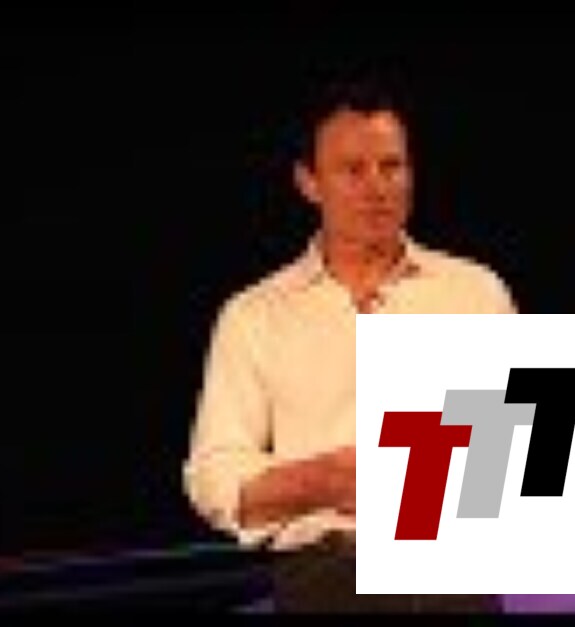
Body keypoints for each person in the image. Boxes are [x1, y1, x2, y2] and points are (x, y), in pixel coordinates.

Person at [182, 74, 517, 613]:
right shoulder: (255, 315)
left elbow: (527, 448)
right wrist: (327, 480)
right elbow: (215, 477)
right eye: (353, 170)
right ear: (308, 182)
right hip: (329, 578)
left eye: (392, 166)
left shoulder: (475, 291)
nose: (377, 187)